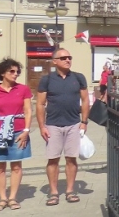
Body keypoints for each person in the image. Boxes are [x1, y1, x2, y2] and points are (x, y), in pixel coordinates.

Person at [36, 48, 89, 206]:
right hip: (53, 125)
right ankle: (53, 192)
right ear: (55, 61)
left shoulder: (78, 77)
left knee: (71, 159)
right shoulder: (47, 79)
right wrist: (42, 126)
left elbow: (85, 100)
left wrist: (84, 122)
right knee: (53, 160)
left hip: (74, 124)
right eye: (63, 58)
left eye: (69, 57)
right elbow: (40, 104)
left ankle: (70, 190)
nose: (67, 60)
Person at [0, 59, 31, 212]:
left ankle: (13, 197)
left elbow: (28, 111)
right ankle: (2, 198)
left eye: (17, 72)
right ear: (3, 73)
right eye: (12, 71)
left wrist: (26, 131)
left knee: (16, 166)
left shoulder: (23, 89)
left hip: (18, 131)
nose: (15, 74)